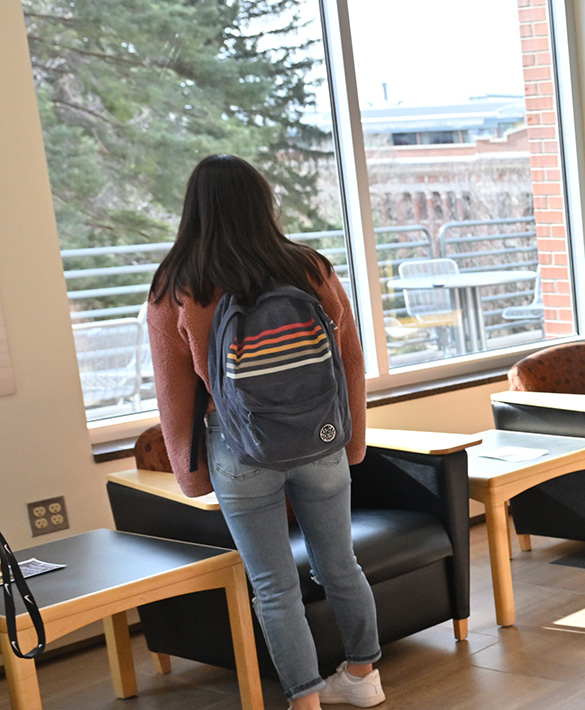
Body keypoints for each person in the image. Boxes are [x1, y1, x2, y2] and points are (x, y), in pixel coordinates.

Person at [147, 156, 384, 709]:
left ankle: (306, 701)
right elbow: (350, 359)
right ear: (263, 203)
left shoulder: (178, 285)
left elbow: (174, 393)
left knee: (275, 587)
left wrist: (190, 475)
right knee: (340, 564)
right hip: (320, 438)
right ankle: (364, 678)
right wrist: (353, 442)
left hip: (239, 448)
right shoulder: (308, 267)